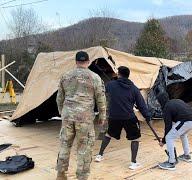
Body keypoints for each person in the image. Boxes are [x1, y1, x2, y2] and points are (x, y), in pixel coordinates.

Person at [56, 51, 107, 180]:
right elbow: (101, 99)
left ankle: (61, 174)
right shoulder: (95, 77)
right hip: (84, 118)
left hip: (68, 116)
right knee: (84, 147)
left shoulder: (65, 76)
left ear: (76, 62)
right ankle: (82, 177)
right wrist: (102, 116)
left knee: (64, 144)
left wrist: (62, 112)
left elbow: (59, 98)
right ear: (88, 62)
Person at [95, 66, 151, 170]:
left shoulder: (111, 85)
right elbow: (141, 104)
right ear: (128, 75)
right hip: (129, 117)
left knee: (108, 134)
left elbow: (101, 91)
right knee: (135, 138)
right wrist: (147, 116)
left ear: (119, 74)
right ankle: (133, 163)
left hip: (114, 117)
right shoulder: (134, 88)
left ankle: (99, 155)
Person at [156, 92, 192, 170]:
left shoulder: (167, 108)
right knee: (183, 135)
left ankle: (171, 162)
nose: (158, 103)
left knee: (169, 137)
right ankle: (187, 156)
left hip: (187, 121)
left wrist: (164, 141)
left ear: (161, 101)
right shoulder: (175, 101)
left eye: (158, 101)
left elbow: (168, 127)